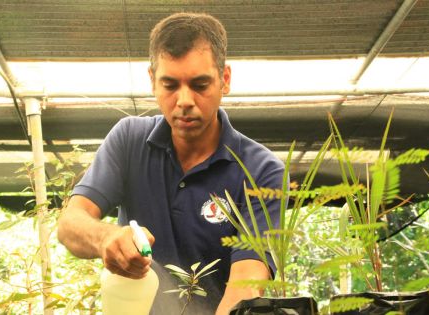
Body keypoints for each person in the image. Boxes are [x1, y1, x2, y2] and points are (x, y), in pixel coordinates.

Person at [57, 12, 284, 315]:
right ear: (152, 81)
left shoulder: (260, 171)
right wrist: (106, 237)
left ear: (224, 79)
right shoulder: (128, 141)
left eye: (200, 84)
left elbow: (247, 280)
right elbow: (70, 224)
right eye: (170, 85)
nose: (185, 100)